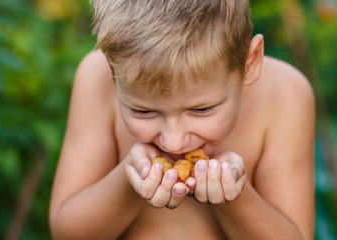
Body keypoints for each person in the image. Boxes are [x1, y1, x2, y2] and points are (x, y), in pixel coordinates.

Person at [49, 1, 315, 239]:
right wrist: (129, 180)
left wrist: (235, 198)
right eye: (143, 111)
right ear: (112, 67)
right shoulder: (97, 78)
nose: (174, 142)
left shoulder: (284, 93)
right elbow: (66, 230)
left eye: (202, 110)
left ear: (249, 62)